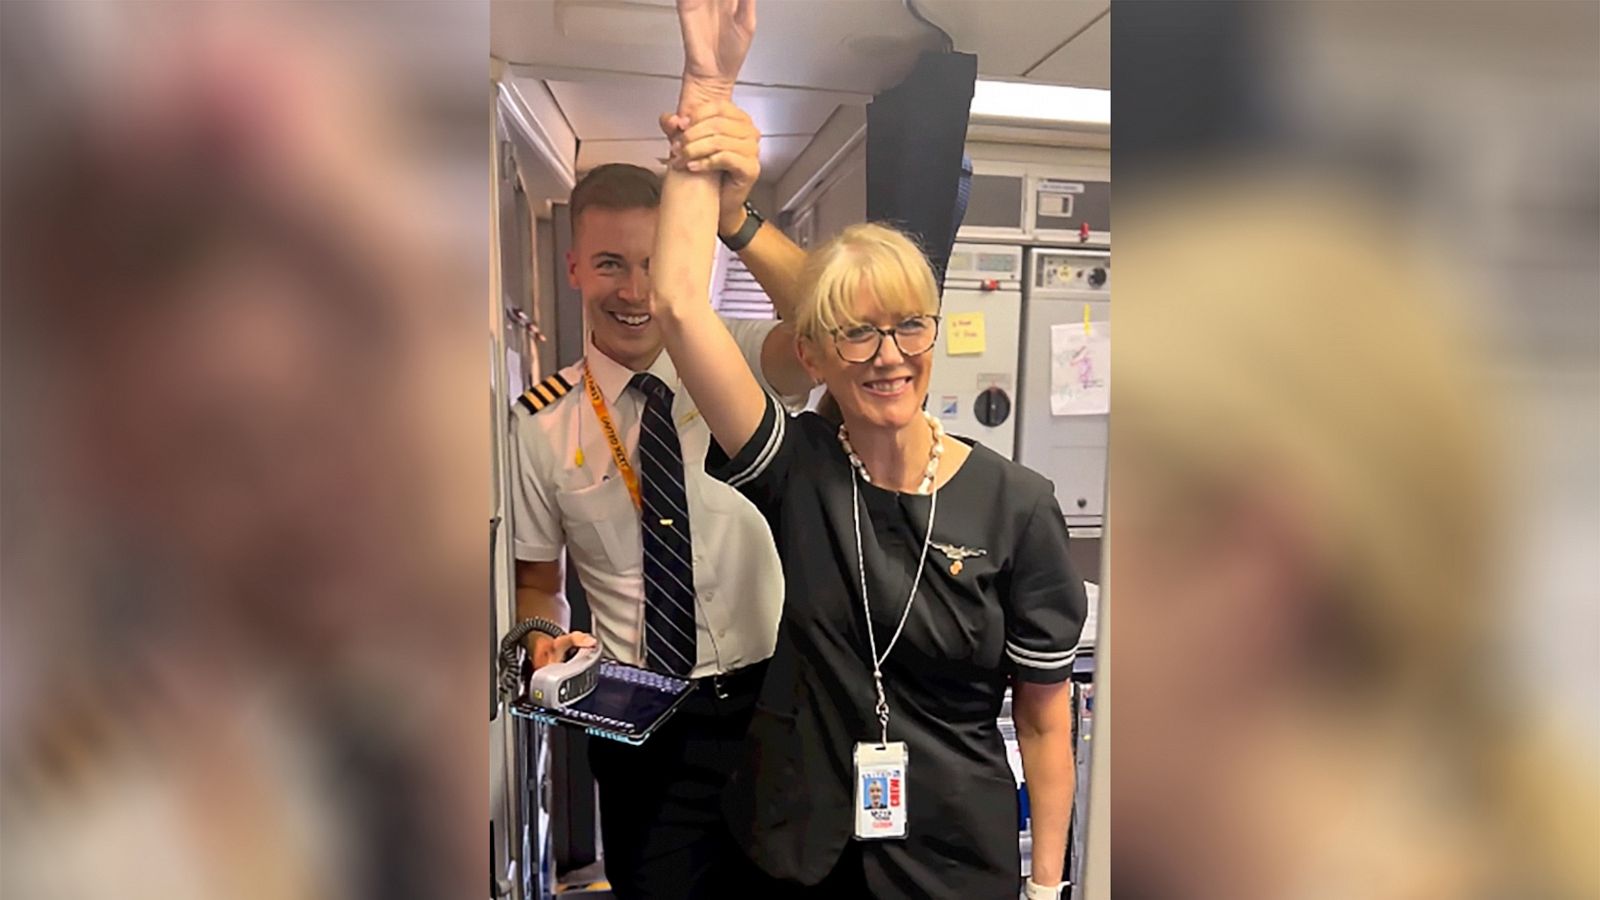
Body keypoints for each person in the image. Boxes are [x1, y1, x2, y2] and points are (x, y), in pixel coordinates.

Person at [648, 2, 1087, 897]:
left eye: (909, 327)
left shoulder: (1018, 506)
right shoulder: (801, 469)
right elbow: (680, 308)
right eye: (856, 333)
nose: (889, 355)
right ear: (811, 355)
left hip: (954, 860)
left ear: (935, 336)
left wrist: (1048, 887)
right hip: (800, 853)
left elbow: (1045, 723)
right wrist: (708, 86)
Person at [507, 147, 811, 893]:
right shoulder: (542, 423)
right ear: (575, 266)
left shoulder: (733, 360)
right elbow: (541, 582)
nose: (635, 290)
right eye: (611, 263)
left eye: (653, 263)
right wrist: (545, 640)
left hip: (774, 707)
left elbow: (825, 326)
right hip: (644, 728)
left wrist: (736, 219)